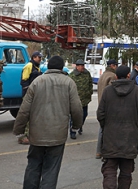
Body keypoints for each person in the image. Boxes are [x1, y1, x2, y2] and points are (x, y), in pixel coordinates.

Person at [13, 55, 83, 189]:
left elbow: (24, 109)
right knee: (51, 170)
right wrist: (76, 126)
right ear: (62, 67)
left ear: (48, 66)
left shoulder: (37, 82)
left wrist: (19, 130)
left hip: (36, 135)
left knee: (33, 165)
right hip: (57, 136)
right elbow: (77, 108)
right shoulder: (69, 83)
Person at [97, 64, 138, 189]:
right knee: (126, 172)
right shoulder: (137, 91)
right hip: (130, 137)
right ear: (129, 75)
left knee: (109, 169)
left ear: (116, 76)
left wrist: (106, 126)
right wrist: (136, 127)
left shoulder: (108, 91)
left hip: (110, 136)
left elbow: (100, 114)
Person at [17, 51, 43, 145]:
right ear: (34, 57)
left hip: (35, 94)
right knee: (26, 115)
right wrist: (28, 93)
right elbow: (24, 81)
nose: (40, 59)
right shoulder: (29, 66)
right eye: (39, 58)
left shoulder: (37, 67)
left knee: (33, 115)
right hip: (29, 95)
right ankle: (22, 136)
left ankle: (30, 134)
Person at [95, 58, 119, 158]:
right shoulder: (112, 76)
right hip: (109, 107)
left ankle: (98, 151)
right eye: (116, 65)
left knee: (102, 129)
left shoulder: (103, 75)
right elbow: (112, 92)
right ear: (113, 66)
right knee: (110, 130)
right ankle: (107, 151)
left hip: (101, 105)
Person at [69, 59, 93, 139]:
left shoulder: (87, 73)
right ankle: (73, 131)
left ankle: (79, 125)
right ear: (77, 66)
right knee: (74, 117)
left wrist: (90, 92)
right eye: (81, 65)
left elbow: (90, 83)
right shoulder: (72, 75)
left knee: (84, 114)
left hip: (85, 99)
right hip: (76, 100)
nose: (83, 67)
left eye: (83, 65)